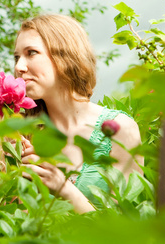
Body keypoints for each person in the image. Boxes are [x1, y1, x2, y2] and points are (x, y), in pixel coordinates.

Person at [13, 14, 143, 213]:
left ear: (65, 56)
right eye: (17, 57)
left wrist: (64, 189)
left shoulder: (120, 130)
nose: (18, 67)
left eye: (31, 53)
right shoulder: (20, 133)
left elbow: (126, 230)